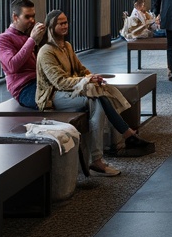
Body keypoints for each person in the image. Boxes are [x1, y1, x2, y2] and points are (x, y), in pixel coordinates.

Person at [36, 9, 155, 176]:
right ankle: (124, 138)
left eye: (66, 22)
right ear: (51, 26)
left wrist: (91, 76)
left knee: (97, 101)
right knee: (97, 98)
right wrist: (86, 81)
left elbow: (80, 69)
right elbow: (59, 82)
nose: (65, 26)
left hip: (71, 91)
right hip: (53, 96)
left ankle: (99, 159)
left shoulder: (66, 46)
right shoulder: (46, 51)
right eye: (60, 23)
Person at [0, 0, 46, 110]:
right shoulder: (3, 39)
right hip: (25, 88)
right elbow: (12, 65)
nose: (32, 20)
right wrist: (32, 40)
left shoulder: (29, 34)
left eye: (33, 16)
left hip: (41, 81)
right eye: (27, 17)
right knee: (71, 98)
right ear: (15, 17)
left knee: (83, 93)